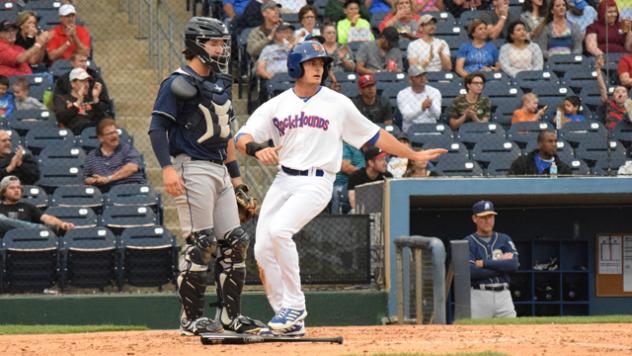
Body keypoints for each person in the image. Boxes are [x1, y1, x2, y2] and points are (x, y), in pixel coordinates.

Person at [235, 40, 446, 335]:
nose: (319, 68)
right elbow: (241, 136)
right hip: (285, 179)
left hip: (317, 180)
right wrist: (257, 148)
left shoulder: (337, 104)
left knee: (279, 230)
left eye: (322, 64)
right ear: (296, 66)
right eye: (312, 63)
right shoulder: (278, 104)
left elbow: (374, 136)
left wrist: (412, 155)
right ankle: (288, 319)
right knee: (262, 247)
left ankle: (295, 305)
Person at [149, 17, 265, 336]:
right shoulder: (177, 81)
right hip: (191, 166)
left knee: (236, 241)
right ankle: (191, 319)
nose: (221, 48)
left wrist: (238, 179)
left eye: (222, 43)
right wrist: (167, 168)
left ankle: (231, 317)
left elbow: (226, 136)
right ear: (197, 45)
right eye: (215, 43)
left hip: (219, 169)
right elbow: (157, 128)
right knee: (201, 243)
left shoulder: (220, 82)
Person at [465, 200, 518, 319]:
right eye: (483, 217)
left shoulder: (504, 239)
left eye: (491, 216)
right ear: (474, 218)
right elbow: (470, 272)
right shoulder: (468, 242)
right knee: (477, 334)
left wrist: (485, 263)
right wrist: (501, 266)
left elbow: (514, 265)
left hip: (504, 295)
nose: (488, 220)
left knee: (512, 333)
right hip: (479, 295)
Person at [83, 119, 146, 192]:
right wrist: (94, 181)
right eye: (109, 134)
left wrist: (108, 179)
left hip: (133, 190)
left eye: (115, 132)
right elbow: (86, 178)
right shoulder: (92, 156)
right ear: (101, 138)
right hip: (110, 195)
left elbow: (132, 168)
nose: (114, 136)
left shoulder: (128, 149)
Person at [0, 176, 75, 236]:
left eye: (18, 188)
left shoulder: (27, 206)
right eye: (12, 188)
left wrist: (62, 224)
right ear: (3, 192)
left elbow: (47, 218)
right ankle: (39, 228)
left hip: (27, 238)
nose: (16, 190)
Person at [54, 50, 114, 118]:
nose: (84, 64)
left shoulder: (95, 78)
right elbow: (59, 103)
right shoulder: (63, 80)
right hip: (73, 116)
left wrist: (94, 102)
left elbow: (105, 103)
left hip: (93, 114)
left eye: (85, 61)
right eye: (81, 61)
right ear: (72, 63)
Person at [53, 67, 106, 135]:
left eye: (87, 81)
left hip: (93, 133)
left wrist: (95, 99)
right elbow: (61, 118)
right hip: (75, 134)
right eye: (82, 81)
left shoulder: (90, 99)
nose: (86, 84)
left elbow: (103, 120)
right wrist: (78, 102)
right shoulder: (61, 98)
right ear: (73, 84)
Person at [397, 65, 442, 133]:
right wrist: (422, 108)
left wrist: (431, 106)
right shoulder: (402, 94)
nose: (422, 78)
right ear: (410, 79)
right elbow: (406, 117)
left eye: (423, 75)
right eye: (418, 76)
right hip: (411, 130)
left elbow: (437, 115)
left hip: (431, 129)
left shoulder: (435, 92)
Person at [507, 129, 572, 175]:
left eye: (555, 141)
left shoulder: (563, 169)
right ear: (540, 144)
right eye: (550, 141)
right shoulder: (522, 163)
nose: (554, 144)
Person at [331, 142, 366, 214]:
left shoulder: (359, 147)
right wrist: (365, 173)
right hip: (342, 184)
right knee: (338, 216)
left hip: (356, 184)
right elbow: (345, 167)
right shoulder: (346, 145)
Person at [597, 56, 631, 129]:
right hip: (611, 133)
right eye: (617, 92)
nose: (620, 93)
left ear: (627, 96)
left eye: (623, 92)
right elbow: (602, 88)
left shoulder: (630, 105)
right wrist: (598, 70)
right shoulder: (609, 103)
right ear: (613, 95)